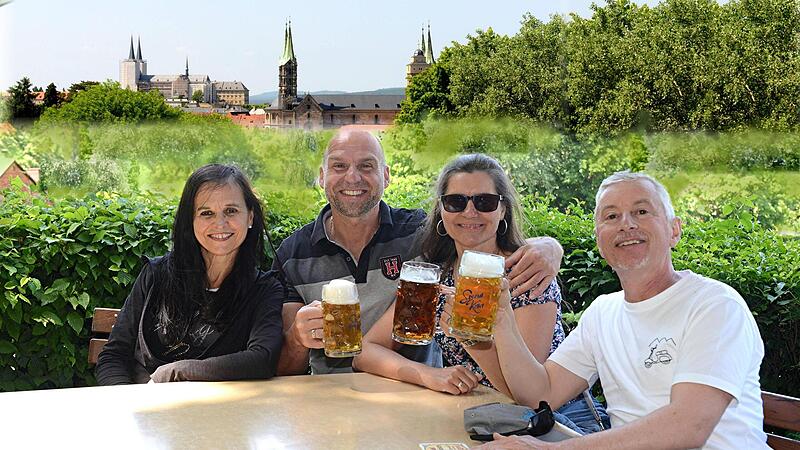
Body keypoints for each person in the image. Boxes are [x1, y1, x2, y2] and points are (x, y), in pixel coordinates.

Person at [478, 171, 768, 449]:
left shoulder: (715, 305)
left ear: (674, 230)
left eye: (642, 212)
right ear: (599, 242)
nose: (626, 224)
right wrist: (502, 321)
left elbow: (689, 425)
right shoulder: (603, 312)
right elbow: (541, 394)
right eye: (611, 216)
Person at [353, 154, 608, 434]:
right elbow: (365, 351)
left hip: (557, 421)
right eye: (456, 202)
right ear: (442, 211)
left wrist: (470, 339)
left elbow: (526, 396)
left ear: (503, 211)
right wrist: (430, 375)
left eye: (484, 202)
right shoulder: (437, 277)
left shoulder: (525, 274)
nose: (470, 213)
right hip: (485, 418)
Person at [274, 130, 564, 375]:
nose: (353, 177)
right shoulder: (292, 253)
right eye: (339, 166)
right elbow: (286, 368)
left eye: (366, 166)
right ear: (322, 176)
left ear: (386, 176)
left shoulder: (417, 235)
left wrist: (550, 247)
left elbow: (529, 389)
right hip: (337, 397)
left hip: (426, 400)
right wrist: (298, 340)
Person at [96, 164, 284, 384]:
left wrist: (178, 372)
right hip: (146, 410)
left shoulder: (264, 290)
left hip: (221, 414)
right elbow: (114, 356)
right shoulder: (155, 275)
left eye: (231, 211)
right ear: (190, 220)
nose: (220, 223)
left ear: (250, 217)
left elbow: (262, 359)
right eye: (206, 213)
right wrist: (130, 404)